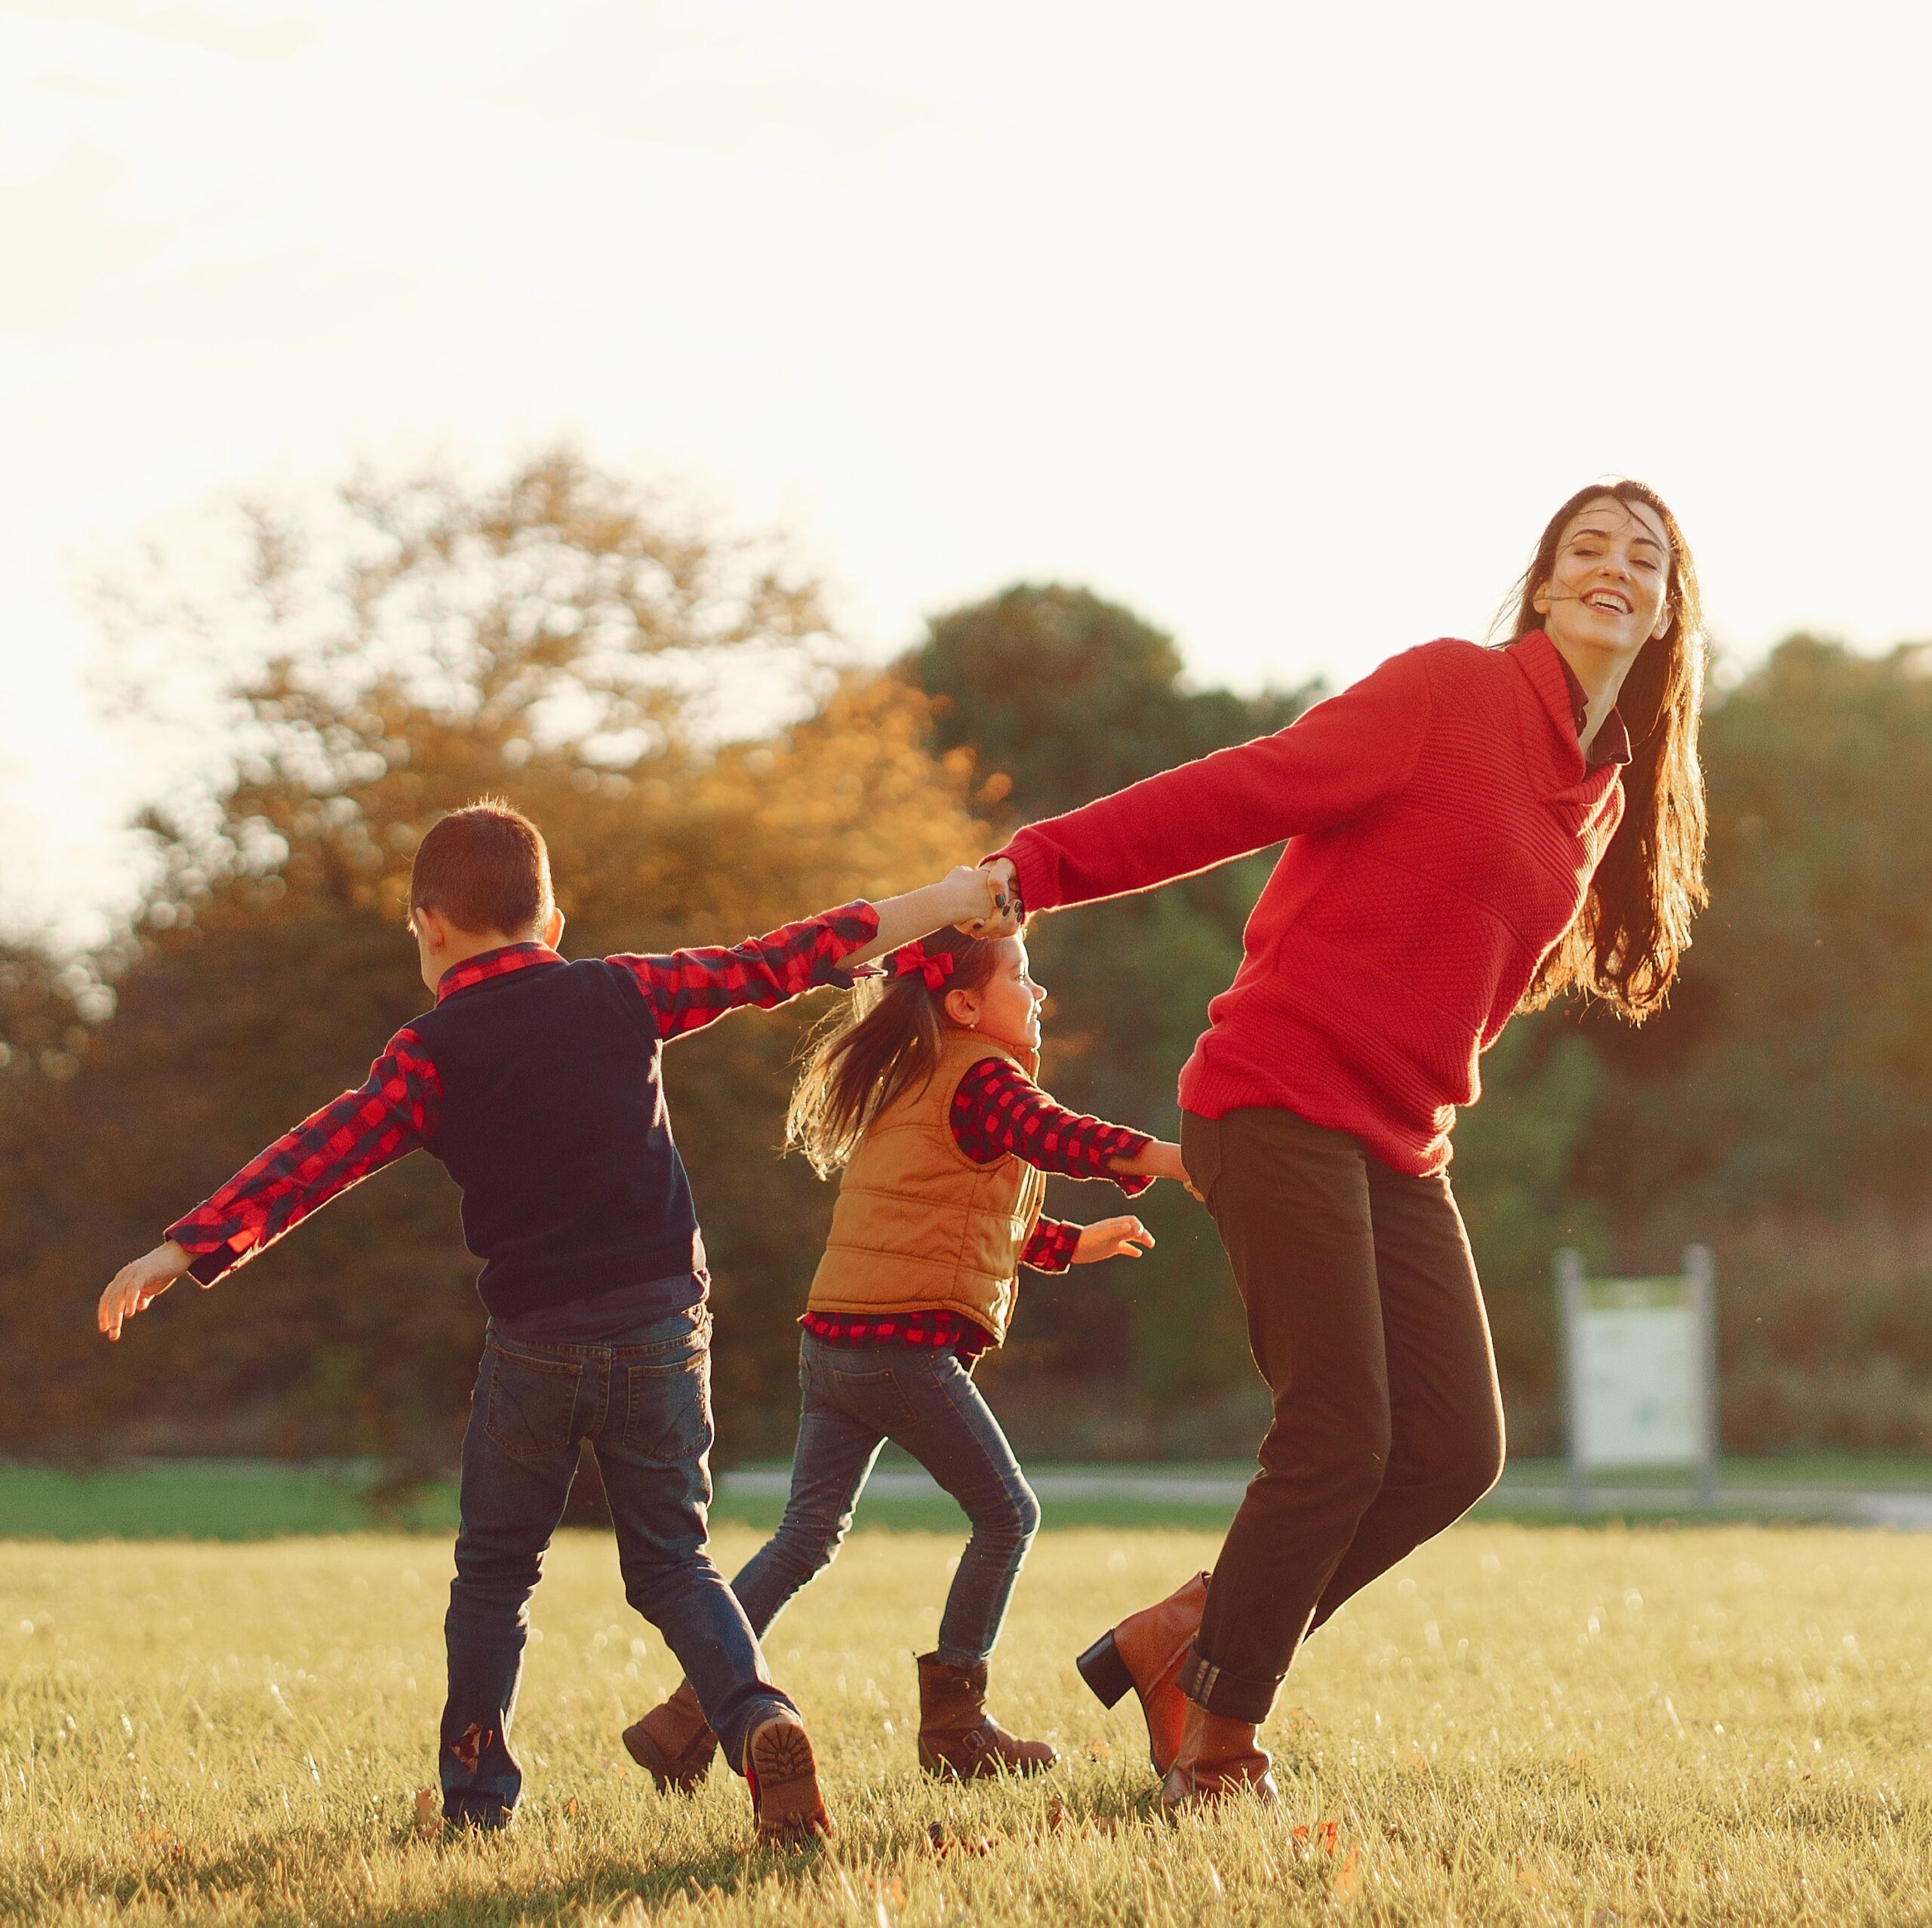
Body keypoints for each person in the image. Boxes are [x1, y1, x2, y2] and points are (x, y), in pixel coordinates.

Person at [972, 481, 1709, 1810]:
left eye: (1642, 559)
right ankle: (1216, 1733)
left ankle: (1189, 1635)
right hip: (1273, 1096)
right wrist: (1041, 869)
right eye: (1586, 549)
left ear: (1667, 612)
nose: (1614, 569)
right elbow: (1242, 791)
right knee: (1339, 1433)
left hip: (1398, 1138)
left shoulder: (1601, 791)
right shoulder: (1447, 692)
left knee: (1452, 1449)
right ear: (1544, 587)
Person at [95, 798, 1002, 1843]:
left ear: (430, 926)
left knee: (495, 1571)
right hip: (664, 1327)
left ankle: (477, 1798)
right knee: (673, 1562)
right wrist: (943, 899)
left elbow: (323, 1152)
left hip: (535, 1345)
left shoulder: (427, 1051)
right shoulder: (621, 989)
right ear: (555, 921)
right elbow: (779, 959)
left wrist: (185, 1247)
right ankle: (758, 1718)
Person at [620, 920, 1189, 1791]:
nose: (1038, 995)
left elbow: (964, 1210)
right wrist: (1181, 1160)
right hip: (898, 1348)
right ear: (965, 1003)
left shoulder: (921, 1079)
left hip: (836, 1339)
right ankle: (956, 1727)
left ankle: (685, 1718)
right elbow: (1058, 1135)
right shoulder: (983, 1074)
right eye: (1021, 980)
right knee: (1008, 1514)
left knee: (802, 1538)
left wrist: (1072, 1244)